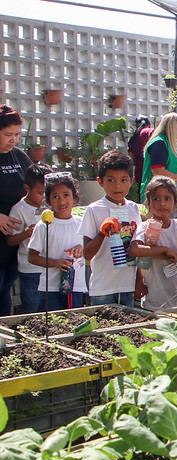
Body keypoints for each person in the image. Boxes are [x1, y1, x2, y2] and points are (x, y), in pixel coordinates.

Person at [79, 150, 143, 306]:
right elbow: (87, 253)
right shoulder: (94, 210)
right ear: (100, 182)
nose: (117, 186)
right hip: (103, 288)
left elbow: (137, 246)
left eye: (123, 180)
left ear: (131, 181)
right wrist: (102, 233)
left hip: (127, 286)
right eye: (111, 180)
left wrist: (139, 279)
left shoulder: (133, 208)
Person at [129, 177, 177, 311]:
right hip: (152, 302)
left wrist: (172, 256)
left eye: (167, 198)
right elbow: (135, 250)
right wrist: (163, 250)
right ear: (148, 203)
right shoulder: (145, 227)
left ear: (175, 202)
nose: (162, 203)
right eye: (156, 199)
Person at [28, 173, 86, 310]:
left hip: (75, 287)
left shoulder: (82, 224)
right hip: (49, 288)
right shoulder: (44, 225)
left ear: (75, 196)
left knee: (71, 323)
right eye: (55, 197)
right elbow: (32, 257)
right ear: (48, 201)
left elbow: (91, 250)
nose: (61, 202)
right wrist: (55, 263)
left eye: (66, 195)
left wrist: (82, 247)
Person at [0, 105, 30, 315]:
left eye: (17, 135)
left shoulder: (19, 157)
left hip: (15, 238)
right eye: (7, 134)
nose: (13, 139)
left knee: (6, 288)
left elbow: (37, 184)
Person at [8, 164, 48, 313]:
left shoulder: (50, 205)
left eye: (47, 192)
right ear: (27, 188)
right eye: (40, 192)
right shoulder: (19, 209)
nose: (44, 197)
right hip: (30, 269)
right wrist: (26, 233)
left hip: (50, 265)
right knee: (32, 309)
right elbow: (10, 240)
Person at [140, 113, 177, 199]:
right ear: (175, 128)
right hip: (157, 197)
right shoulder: (159, 143)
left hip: (170, 196)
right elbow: (158, 172)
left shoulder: (171, 143)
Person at [127, 115, 154, 201]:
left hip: (140, 173)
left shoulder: (133, 139)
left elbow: (132, 157)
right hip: (152, 171)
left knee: (143, 199)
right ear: (149, 124)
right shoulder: (149, 132)